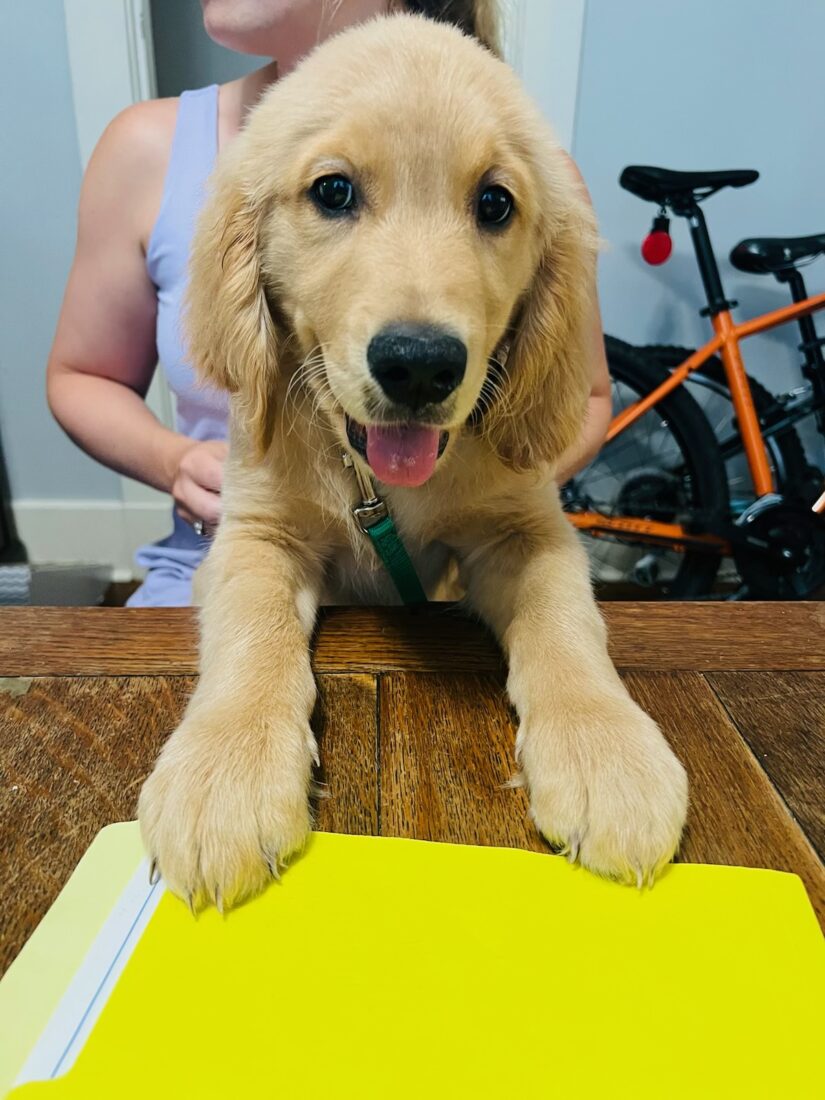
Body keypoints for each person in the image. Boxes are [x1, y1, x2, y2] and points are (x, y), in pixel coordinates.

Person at [47, 0, 611, 607]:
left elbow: (584, 400)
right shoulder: (146, 147)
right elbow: (81, 375)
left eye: (492, 208)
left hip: (441, 600)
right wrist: (174, 460)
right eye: (334, 192)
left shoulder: (535, 163)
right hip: (212, 569)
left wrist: (482, 506)